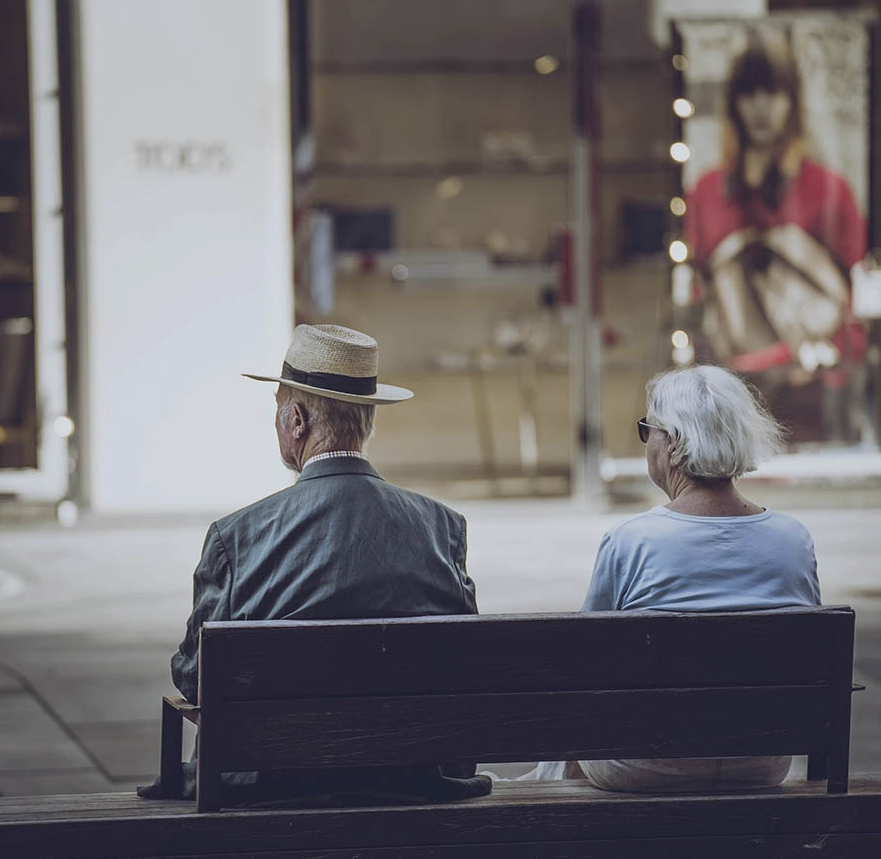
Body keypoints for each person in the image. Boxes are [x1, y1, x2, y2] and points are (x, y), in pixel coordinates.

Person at [139, 322, 489, 805]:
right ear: (369, 421)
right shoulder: (442, 528)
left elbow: (196, 676)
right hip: (409, 783)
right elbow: (467, 663)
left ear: (296, 421)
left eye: (277, 412)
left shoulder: (235, 538)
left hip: (268, 787)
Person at [535, 364, 821, 792]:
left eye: (647, 429)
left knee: (569, 738)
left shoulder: (631, 540)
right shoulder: (794, 540)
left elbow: (585, 664)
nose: (647, 441)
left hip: (644, 764)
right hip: (761, 762)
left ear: (674, 442)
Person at [684, 36, 866, 441]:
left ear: (792, 100)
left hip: (816, 393)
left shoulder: (828, 188)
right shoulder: (707, 191)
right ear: (734, 103)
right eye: (749, 93)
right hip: (731, 397)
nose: (761, 106)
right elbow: (699, 300)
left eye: (773, 91)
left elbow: (851, 300)